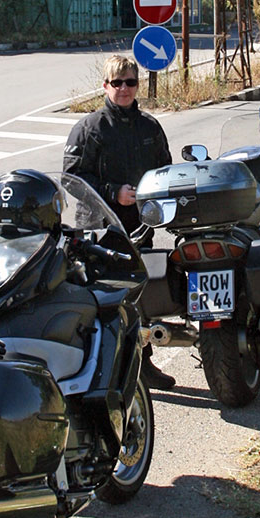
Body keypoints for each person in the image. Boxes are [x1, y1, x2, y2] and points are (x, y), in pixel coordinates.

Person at [63, 54, 175, 389]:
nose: (124, 89)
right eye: (117, 83)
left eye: (130, 82)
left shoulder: (149, 127)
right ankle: (101, 371)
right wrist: (114, 193)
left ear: (138, 85)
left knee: (143, 298)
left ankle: (144, 365)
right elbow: (71, 178)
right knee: (106, 304)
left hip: (140, 228)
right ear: (105, 86)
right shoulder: (89, 128)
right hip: (100, 232)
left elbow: (165, 171)